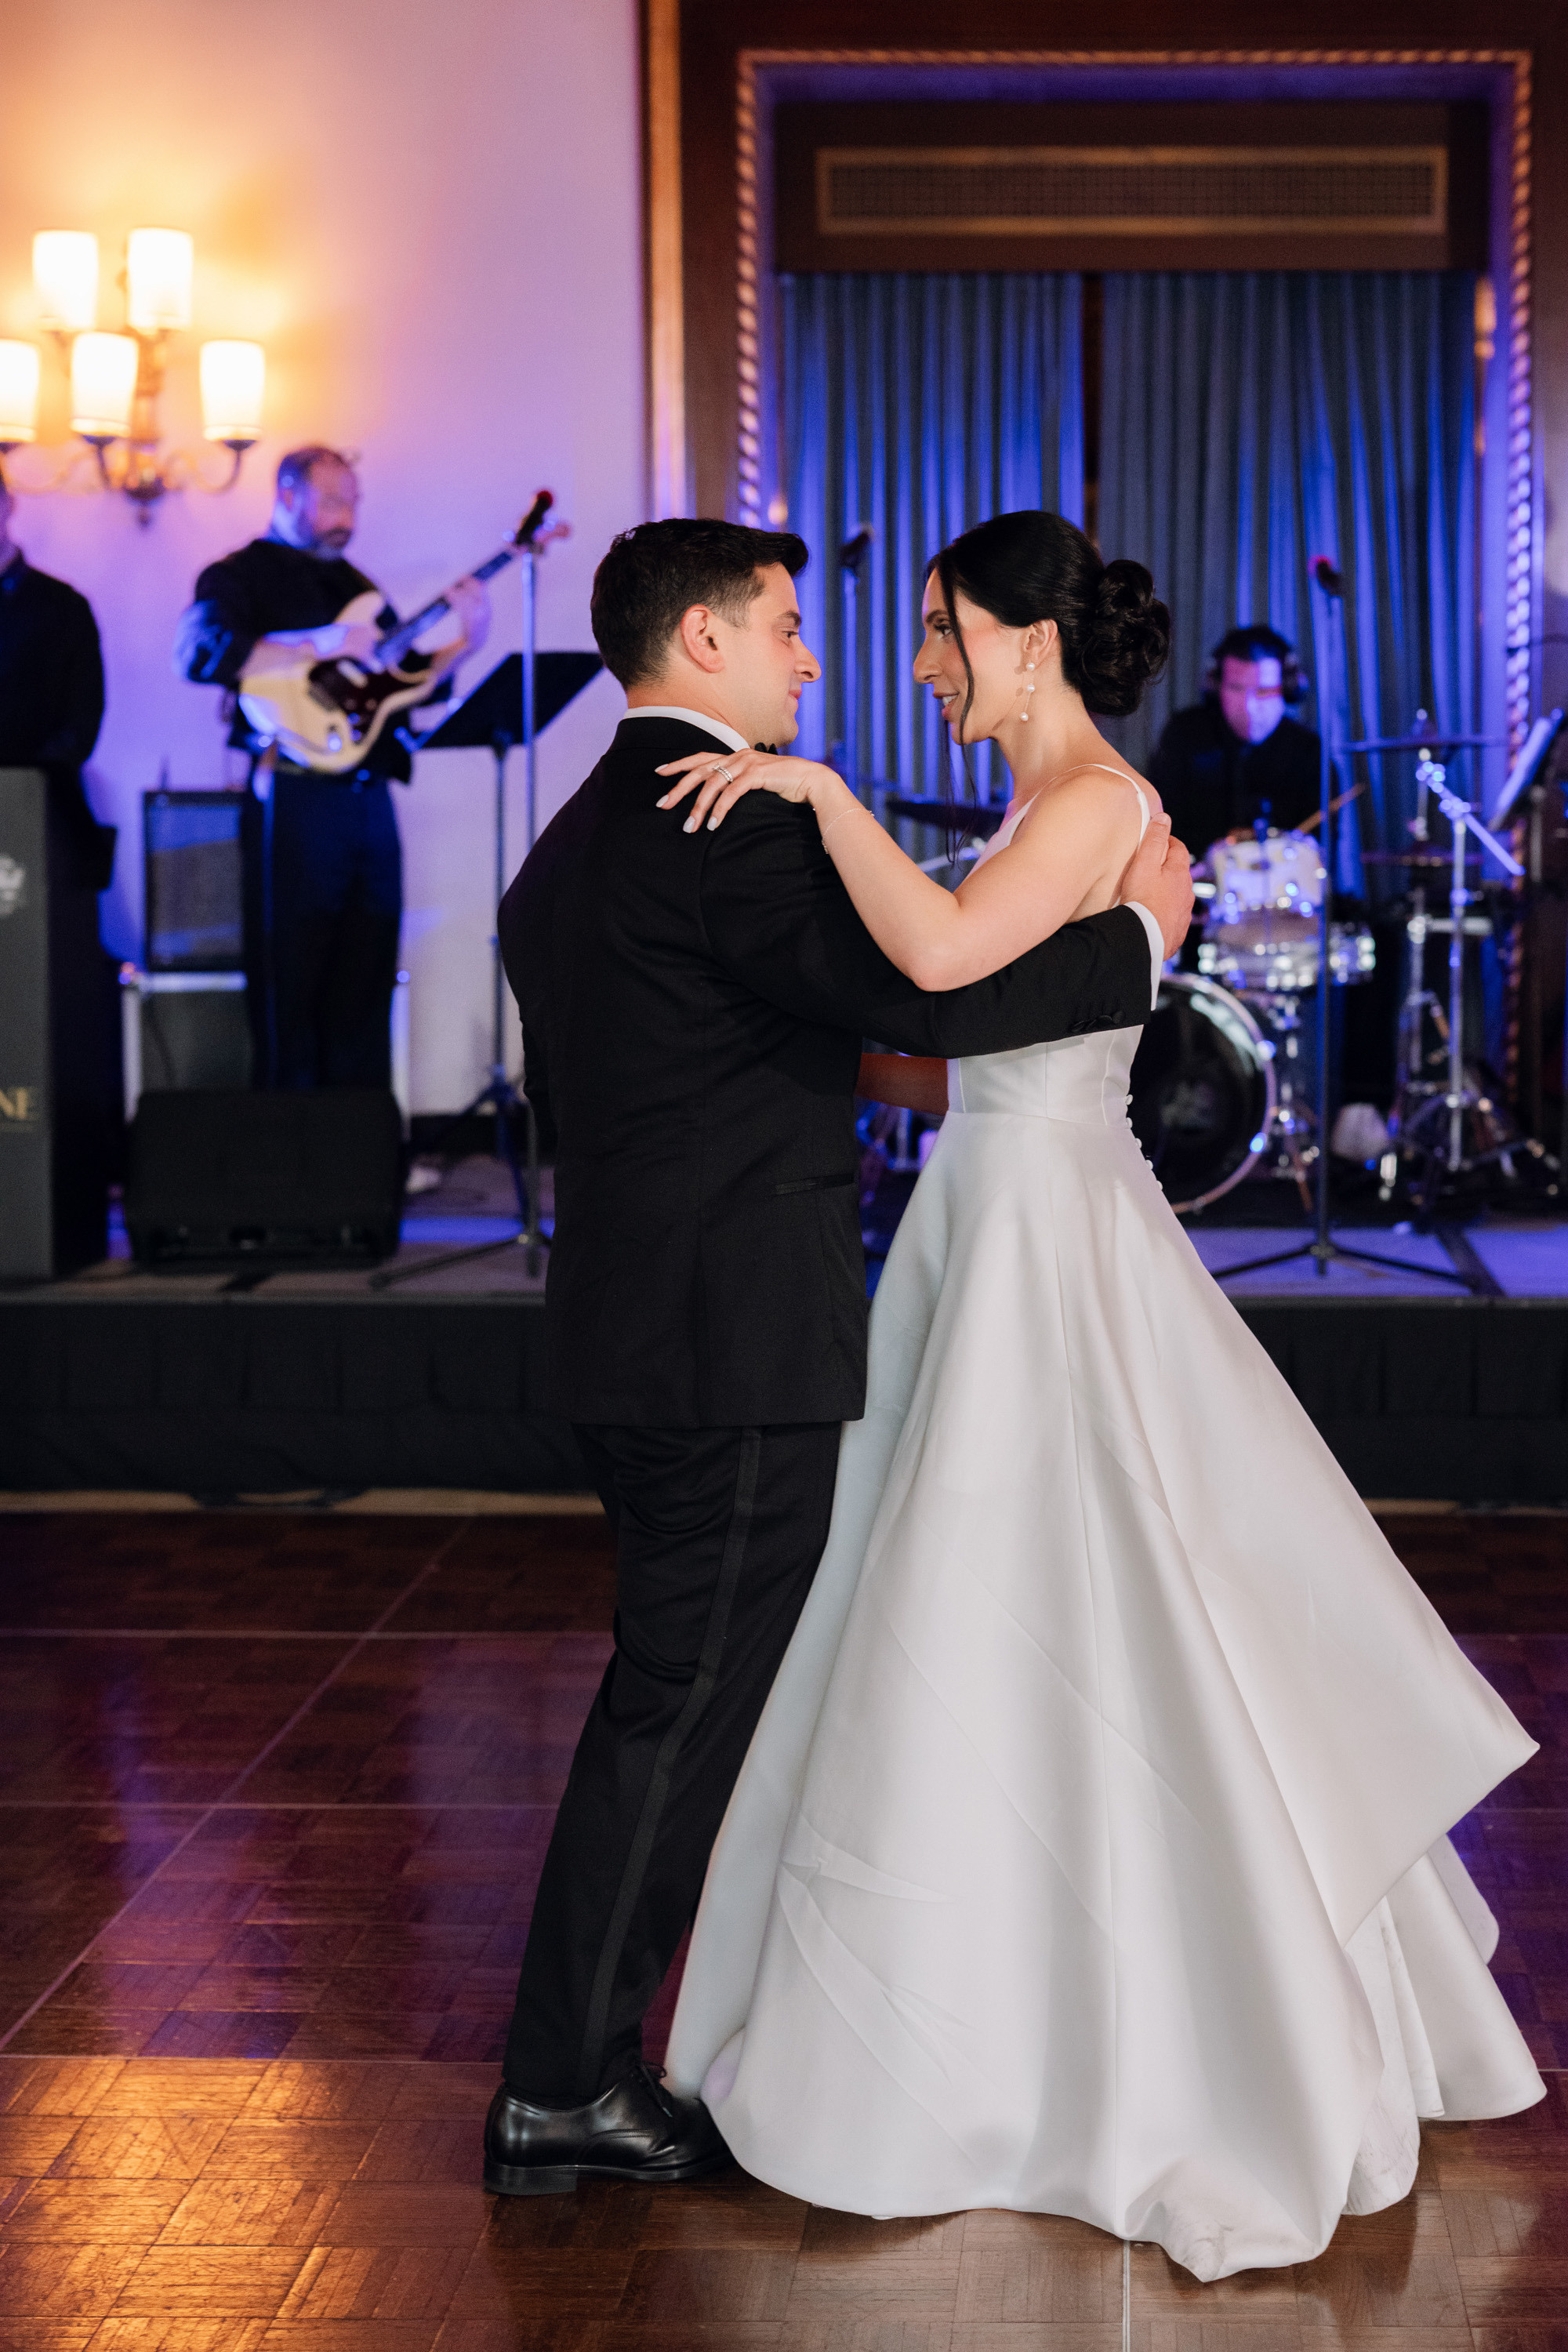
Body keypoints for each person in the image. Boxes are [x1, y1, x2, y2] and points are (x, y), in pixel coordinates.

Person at [657, 511, 1544, 2280]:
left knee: (1038, 1584)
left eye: (937, 632)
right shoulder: (1057, 811)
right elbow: (960, 1036)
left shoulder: (1085, 809)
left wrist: (814, 794)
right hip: (994, 1214)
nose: (918, 664)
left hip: (1045, 1235)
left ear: (1025, 643)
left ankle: (1083, 2037)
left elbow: (936, 961)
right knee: (974, 1589)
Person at [483, 517, 1194, 2198]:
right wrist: (1144, 941)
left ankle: (598, 2061)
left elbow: (779, 1056)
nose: (821, 658)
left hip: (627, 1328)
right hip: (728, 1349)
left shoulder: (570, 844)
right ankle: (558, 2086)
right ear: (708, 643)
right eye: (791, 627)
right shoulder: (729, 826)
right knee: (674, 1712)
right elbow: (937, 997)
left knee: (685, 1697)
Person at [175, 445, 489, 1087]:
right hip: (292, 796)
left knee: (367, 977)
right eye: (331, 500)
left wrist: (468, 641)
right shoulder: (237, 576)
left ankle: (365, 1165)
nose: (346, 515)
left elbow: (401, 687)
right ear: (287, 496)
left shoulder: (359, 588)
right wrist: (316, 643)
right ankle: (293, 1169)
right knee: (290, 981)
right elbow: (201, 653)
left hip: (369, 802)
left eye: (353, 502)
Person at [0, 460, 113, 887]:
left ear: (7, 505)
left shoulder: (62, 608)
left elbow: (82, 716)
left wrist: (30, 781)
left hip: (40, 808)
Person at [1149, 622, 1327, 867]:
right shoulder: (1184, 734)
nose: (1249, 707)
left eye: (1264, 691)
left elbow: (1318, 856)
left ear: (1288, 689)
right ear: (1216, 686)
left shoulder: (1309, 750)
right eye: (1236, 688)